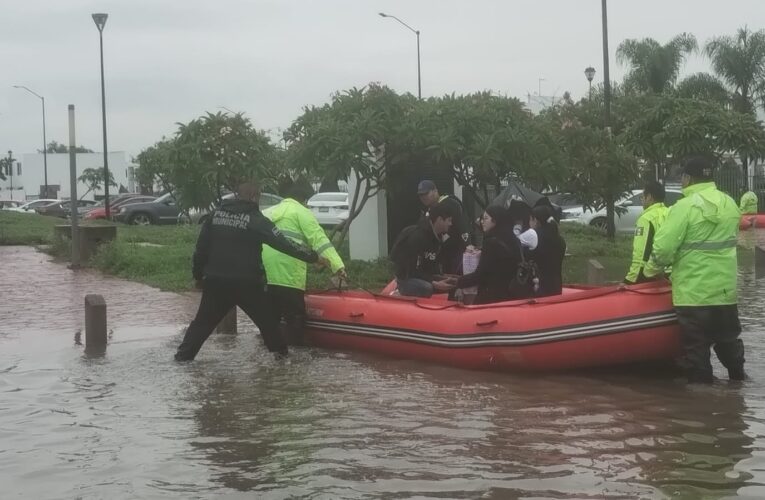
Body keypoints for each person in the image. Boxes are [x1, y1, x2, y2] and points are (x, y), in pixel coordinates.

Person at [175, 181, 321, 361]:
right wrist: (313, 257)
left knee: (201, 325)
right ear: (254, 197)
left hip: (216, 282)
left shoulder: (214, 216)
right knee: (268, 324)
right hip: (248, 284)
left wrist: (198, 276)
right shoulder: (257, 221)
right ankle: (283, 362)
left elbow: (200, 251)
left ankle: (182, 359)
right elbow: (285, 245)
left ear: (237, 195)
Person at [650, 155, 744, 383]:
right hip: (725, 293)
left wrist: (652, 270)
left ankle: (702, 406)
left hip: (693, 294)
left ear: (688, 178)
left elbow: (663, 248)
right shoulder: (729, 203)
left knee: (696, 352)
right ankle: (738, 390)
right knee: (729, 343)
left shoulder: (684, 207)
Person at [262, 184, 347, 345]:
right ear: (304, 201)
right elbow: (320, 241)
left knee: (271, 316)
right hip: (289, 273)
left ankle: (271, 349)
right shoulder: (301, 212)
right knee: (295, 315)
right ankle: (295, 354)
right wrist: (338, 266)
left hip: (265, 274)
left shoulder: (268, 212)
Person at [455, 205, 522, 304]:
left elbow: (480, 275)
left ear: (495, 221)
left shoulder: (491, 243)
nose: (482, 221)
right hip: (513, 296)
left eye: (486, 218)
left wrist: (458, 282)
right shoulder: (516, 241)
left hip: (492, 297)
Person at [390, 202, 453, 298]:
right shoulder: (418, 237)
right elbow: (412, 270)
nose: (450, 224)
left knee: (452, 281)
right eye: (449, 220)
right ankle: (400, 293)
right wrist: (434, 282)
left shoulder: (438, 238)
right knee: (426, 287)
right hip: (407, 278)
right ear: (440, 220)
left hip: (423, 275)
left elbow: (431, 267)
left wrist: (444, 278)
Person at [417, 180, 470, 275]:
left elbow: (462, 225)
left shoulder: (451, 203)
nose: (423, 197)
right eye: (421, 195)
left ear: (435, 191)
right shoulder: (428, 210)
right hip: (440, 255)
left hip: (456, 252)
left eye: (426, 193)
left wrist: (467, 245)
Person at [624, 181, 670, 284]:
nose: (642, 201)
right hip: (672, 275)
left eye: (642, 197)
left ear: (649, 197)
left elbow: (640, 255)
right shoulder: (670, 214)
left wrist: (629, 281)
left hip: (651, 277)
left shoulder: (646, 219)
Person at [528, 204, 566, 297]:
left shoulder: (534, 236)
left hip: (539, 285)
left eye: (530, 219)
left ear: (535, 220)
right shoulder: (559, 238)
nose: (529, 223)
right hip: (556, 285)